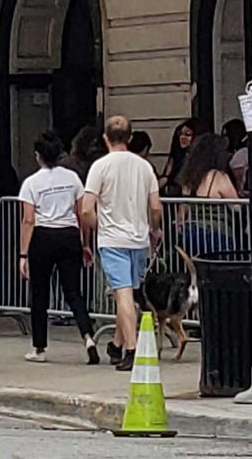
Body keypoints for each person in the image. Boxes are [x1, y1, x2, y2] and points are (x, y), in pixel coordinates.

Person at [81, 115, 163, 371]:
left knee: (122, 294)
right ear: (130, 137)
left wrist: (99, 226)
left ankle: (131, 347)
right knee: (128, 293)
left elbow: (86, 209)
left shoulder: (100, 167)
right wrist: (155, 229)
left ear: (105, 138)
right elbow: (156, 206)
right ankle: (117, 344)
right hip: (139, 237)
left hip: (112, 238)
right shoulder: (144, 167)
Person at [18, 133, 99, 364]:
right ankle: (88, 336)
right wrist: (85, 243)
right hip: (69, 234)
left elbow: (28, 220)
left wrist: (23, 254)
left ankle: (39, 347)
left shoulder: (31, 183)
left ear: (38, 156)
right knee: (73, 291)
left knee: (40, 293)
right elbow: (81, 213)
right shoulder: (73, 178)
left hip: (43, 236)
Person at [159, 119, 207, 195]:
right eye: (180, 134)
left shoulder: (200, 161)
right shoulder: (176, 158)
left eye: (188, 134)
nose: (183, 137)